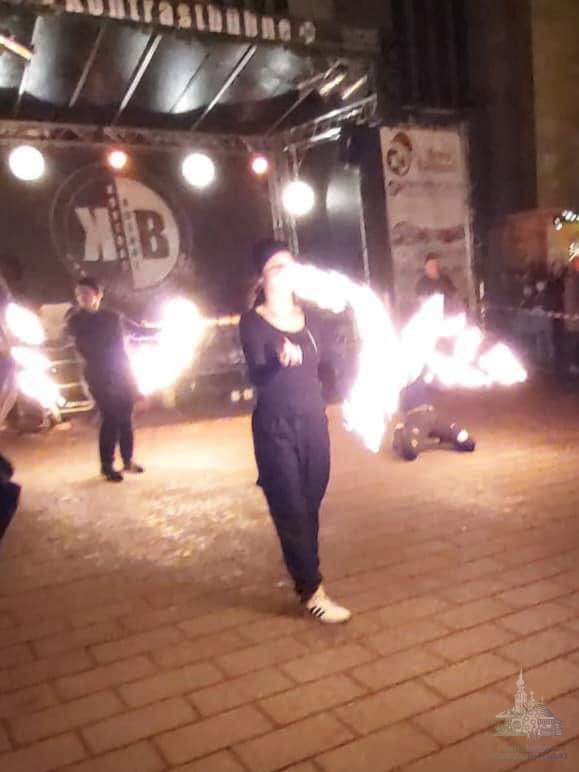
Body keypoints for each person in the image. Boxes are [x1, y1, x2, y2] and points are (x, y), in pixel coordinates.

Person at [239, 240, 350, 624]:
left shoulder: (311, 318)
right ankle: (311, 589)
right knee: (290, 506)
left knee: (310, 500)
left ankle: (305, 567)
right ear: (262, 278)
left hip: (313, 422)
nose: (285, 272)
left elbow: (329, 364)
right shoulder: (252, 322)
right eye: (276, 267)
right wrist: (278, 360)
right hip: (275, 426)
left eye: (290, 265)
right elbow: (257, 374)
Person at [65, 277, 153, 482]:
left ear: (98, 294)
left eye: (86, 293)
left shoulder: (113, 317)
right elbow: (76, 343)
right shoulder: (75, 321)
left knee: (125, 414)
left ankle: (128, 460)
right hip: (97, 375)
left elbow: (137, 331)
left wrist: (163, 330)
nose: (82, 297)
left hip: (120, 372)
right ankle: (107, 465)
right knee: (111, 416)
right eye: (79, 294)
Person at [392, 374, 476, 461]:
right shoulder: (401, 386)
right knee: (410, 451)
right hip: (417, 419)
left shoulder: (423, 380)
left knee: (468, 442)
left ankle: (441, 437)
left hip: (433, 418)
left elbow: (441, 386)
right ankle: (400, 433)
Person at [563, 256, 579, 374]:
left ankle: (573, 364)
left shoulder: (571, 279)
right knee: (574, 342)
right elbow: (572, 300)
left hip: (573, 318)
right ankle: (573, 364)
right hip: (575, 318)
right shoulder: (574, 280)